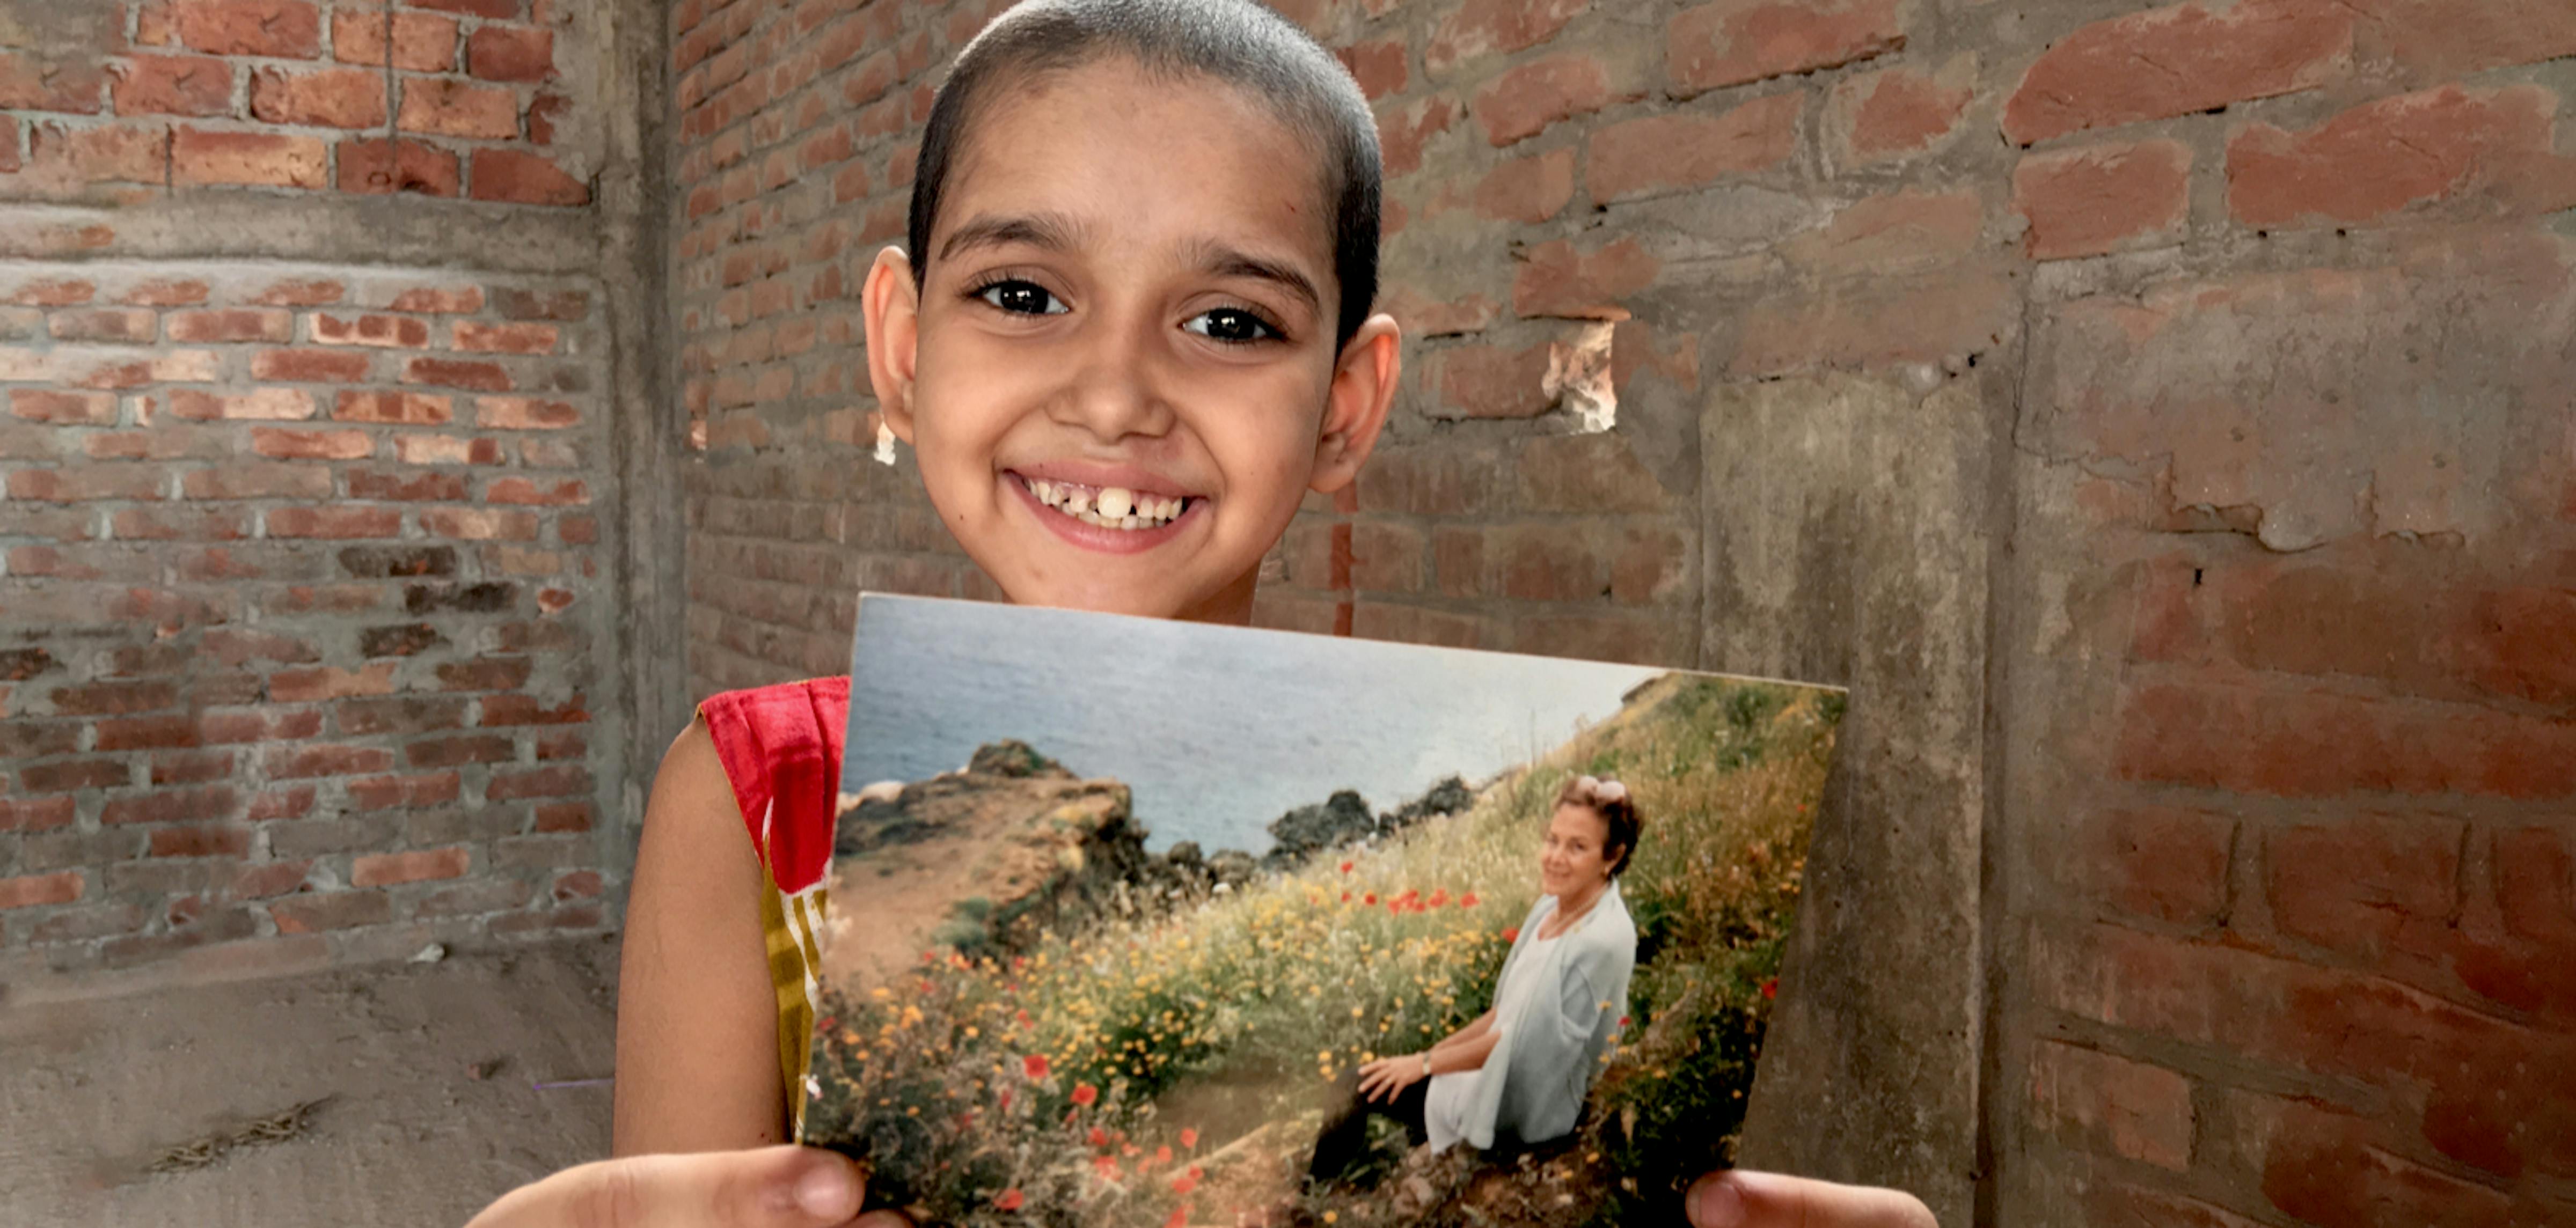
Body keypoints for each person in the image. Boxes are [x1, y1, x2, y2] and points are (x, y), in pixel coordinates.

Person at [467, 1, 1936, 1225]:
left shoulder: (1490, 809)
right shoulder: (754, 799)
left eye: (1231, 323)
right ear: (905, 351)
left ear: (1345, 409)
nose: (1113, 396)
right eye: (1024, 292)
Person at [1308, 775, 1639, 1186]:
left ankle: (1310, 1200)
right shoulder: (1553, 906)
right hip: (1500, 1067)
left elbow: (1518, 1048)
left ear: (1612, 855)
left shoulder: (1601, 940)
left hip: (1521, 1100)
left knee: (1353, 1086)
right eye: (1552, 840)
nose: (1555, 857)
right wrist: (1430, 1057)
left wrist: (1425, 1064)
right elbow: (1505, 1013)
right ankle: (1371, 1173)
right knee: (1394, 1076)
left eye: (1577, 846)